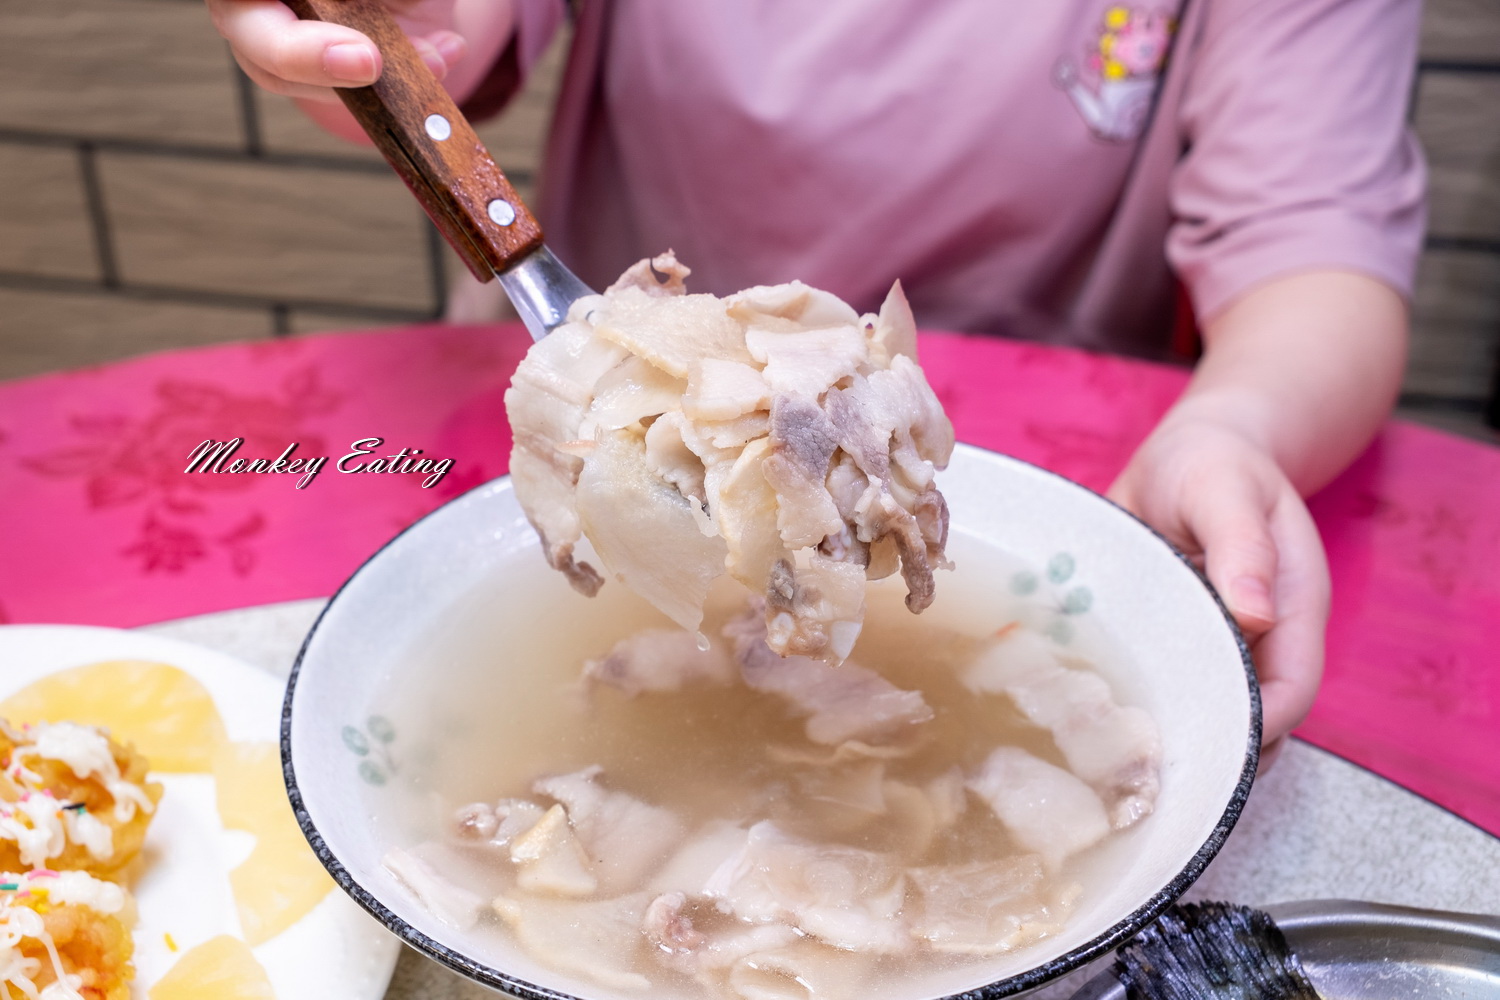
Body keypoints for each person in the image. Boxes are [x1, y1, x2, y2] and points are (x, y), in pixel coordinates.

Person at [206, 0, 1425, 761]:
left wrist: (1237, 422)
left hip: (1085, 461)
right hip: (603, 401)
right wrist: (380, 27)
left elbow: (1316, 239)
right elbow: (438, 33)